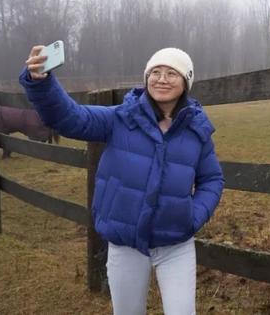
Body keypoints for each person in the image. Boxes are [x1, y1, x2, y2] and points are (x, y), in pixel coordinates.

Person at [20, 46, 224, 315]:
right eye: (155, 72)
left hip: (176, 245)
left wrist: (192, 216)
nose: (162, 79)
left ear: (186, 81)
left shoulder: (197, 130)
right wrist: (41, 83)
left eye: (171, 73)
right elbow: (69, 118)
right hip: (126, 244)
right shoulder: (119, 118)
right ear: (146, 77)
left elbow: (212, 179)